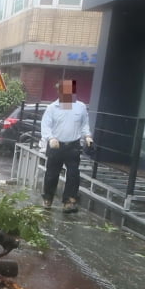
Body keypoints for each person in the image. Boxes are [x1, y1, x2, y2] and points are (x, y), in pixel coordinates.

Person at [40, 80, 93, 212]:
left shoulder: (80, 107)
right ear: (59, 92)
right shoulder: (52, 108)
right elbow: (45, 125)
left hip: (73, 145)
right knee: (52, 173)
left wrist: (87, 136)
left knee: (73, 173)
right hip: (56, 145)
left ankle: (69, 201)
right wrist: (50, 137)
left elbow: (84, 124)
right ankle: (48, 197)